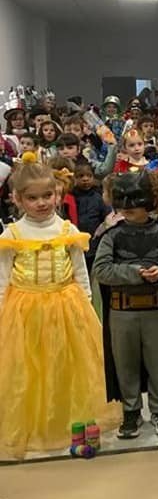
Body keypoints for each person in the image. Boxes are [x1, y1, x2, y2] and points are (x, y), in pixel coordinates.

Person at [0, 154, 119, 458]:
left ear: (58, 194)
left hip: (66, 305)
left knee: (70, 366)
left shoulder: (67, 230)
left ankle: (74, 421)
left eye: (47, 195)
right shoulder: (12, 235)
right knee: (30, 369)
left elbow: (80, 270)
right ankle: (37, 426)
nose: (41, 203)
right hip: (25, 310)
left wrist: (85, 303)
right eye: (32, 198)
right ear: (17, 199)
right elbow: (3, 278)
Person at [93, 171, 158, 439]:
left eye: (134, 200)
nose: (127, 207)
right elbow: (101, 270)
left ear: (151, 200)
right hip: (122, 311)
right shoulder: (111, 236)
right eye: (121, 201)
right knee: (125, 364)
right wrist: (135, 273)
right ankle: (131, 411)